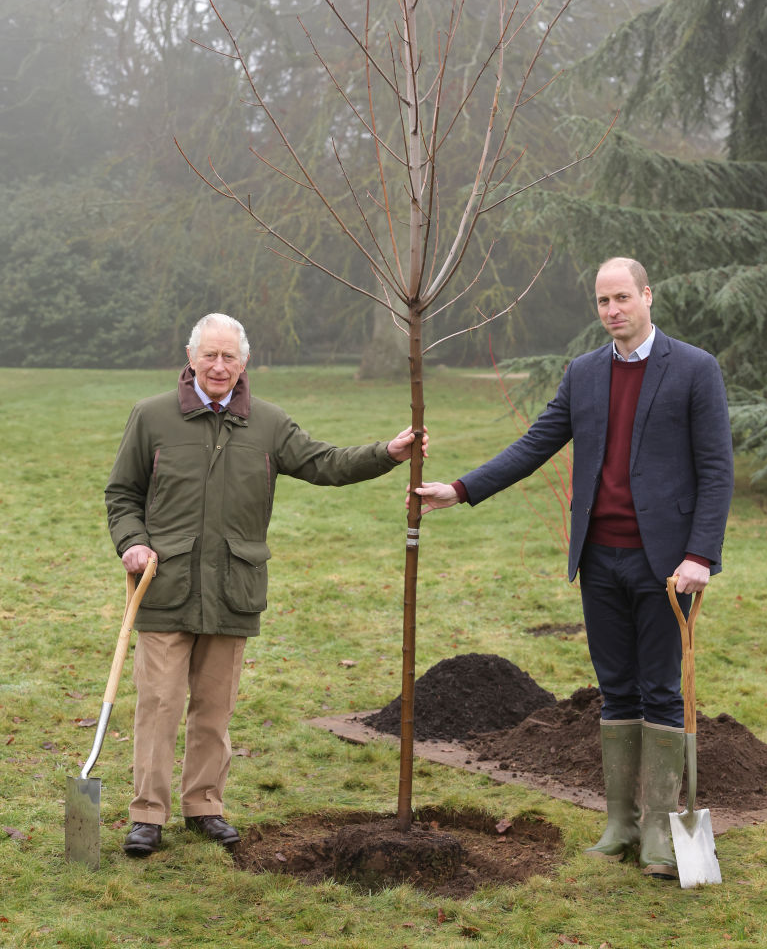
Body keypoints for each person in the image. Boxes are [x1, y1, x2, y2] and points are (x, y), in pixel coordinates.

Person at [415, 257, 734, 879]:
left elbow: (717, 471)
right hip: (598, 557)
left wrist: (700, 556)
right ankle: (620, 823)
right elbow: (536, 444)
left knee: (661, 689)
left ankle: (663, 833)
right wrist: (461, 488)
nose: (612, 310)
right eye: (602, 301)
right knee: (615, 688)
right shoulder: (585, 374)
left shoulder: (695, 369)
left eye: (622, 298)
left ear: (647, 295)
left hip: (668, 566)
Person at [106, 312, 426, 858]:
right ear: (190, 357)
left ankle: (204, 804)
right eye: (209, 354)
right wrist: (132, 541)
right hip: (165, 588)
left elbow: (325, 463)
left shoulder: (269, 424)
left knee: (214, 707)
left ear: (245, 362)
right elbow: (122, 494)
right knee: (158, 704)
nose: (219, 365)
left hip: (234, 588)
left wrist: (387, 454)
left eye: (229, 356)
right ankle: (147, 815)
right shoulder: (152, 418)